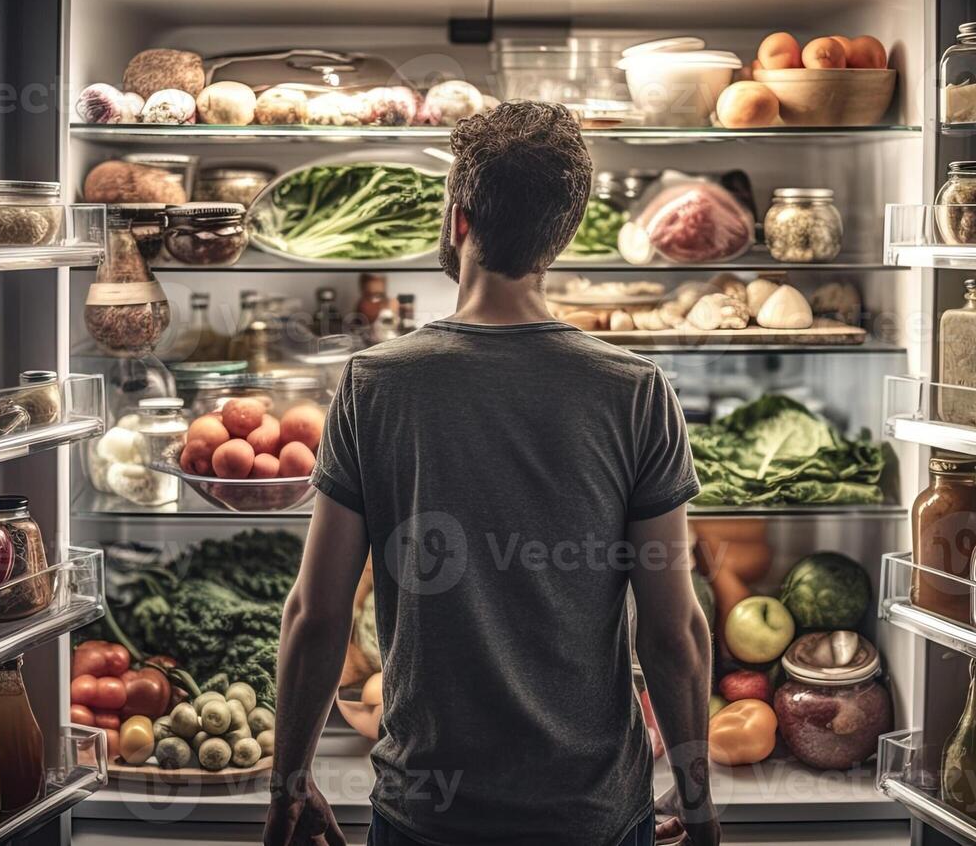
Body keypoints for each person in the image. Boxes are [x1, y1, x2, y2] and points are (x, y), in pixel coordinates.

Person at [264, 101, 719, 846]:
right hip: (592, 816)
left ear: (458, 220)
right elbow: (674, 635)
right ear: (563, 236)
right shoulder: (635, 391)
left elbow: (315, 615)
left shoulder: (376, 384)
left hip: (426, 814)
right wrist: (699, 814)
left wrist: (288, 784)